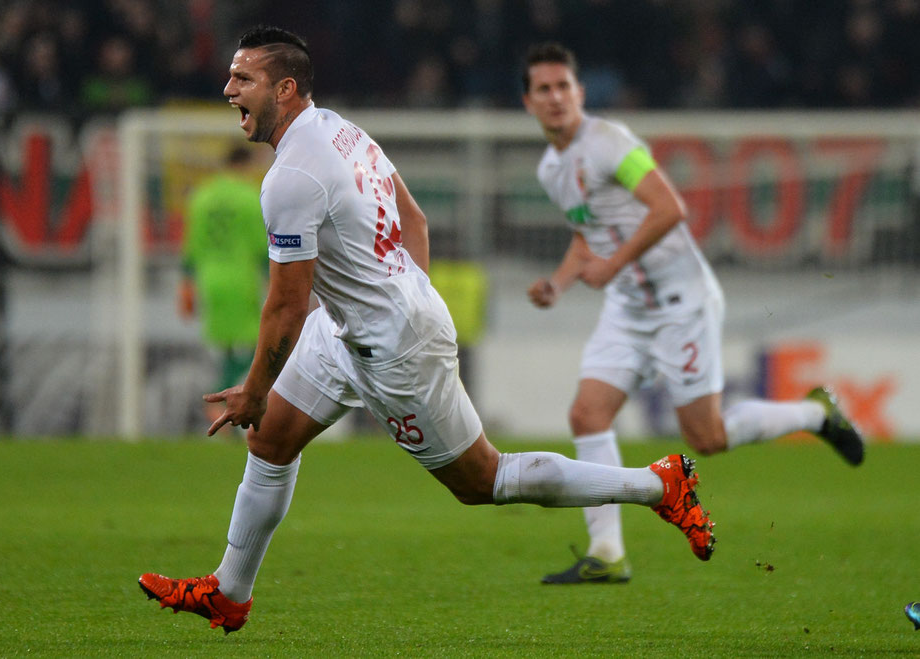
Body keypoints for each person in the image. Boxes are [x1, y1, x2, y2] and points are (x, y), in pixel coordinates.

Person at [138, 26, 716, 634]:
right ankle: (229, 594)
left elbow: (284, 304)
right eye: (230, 76)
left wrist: (260, 385)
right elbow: (412, 216)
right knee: (271, 442)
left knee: (483, 480)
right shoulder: (340, 129)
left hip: (393, 346)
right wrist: (399, 291)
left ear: (284, 88)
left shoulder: (290, 179)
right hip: (344, 328)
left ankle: (658, 484)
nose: (228, 89)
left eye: (242, 79)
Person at [520, 42, 865, 586]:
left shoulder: (609, 142)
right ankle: (607, 552)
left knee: (706, 437)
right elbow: (590, 233)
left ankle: (816, 415)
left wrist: (612, 267)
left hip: (681, 300)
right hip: (629, 308)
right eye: (544, 89)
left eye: (564, 86)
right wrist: (559, 284)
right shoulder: (551, 169)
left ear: (580, 93)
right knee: (587, 415)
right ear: (529, 102)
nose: (556, 97)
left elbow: (669, 208)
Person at [178, 145, 269, 429]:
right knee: (262, 343)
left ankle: (222, 404)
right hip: (239, 278)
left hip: (209, 279)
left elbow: (191, 245)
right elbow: (260, 246)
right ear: (243, 165)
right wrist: (272, 279)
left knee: (229, 348)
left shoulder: (202, 197)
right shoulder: (249, 197)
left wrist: (186, 284)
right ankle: (220, 400)